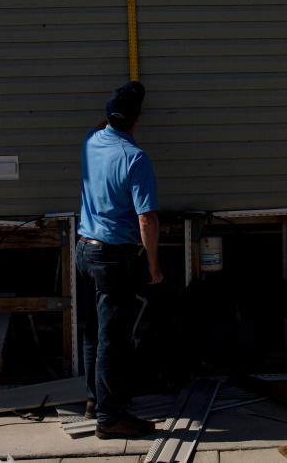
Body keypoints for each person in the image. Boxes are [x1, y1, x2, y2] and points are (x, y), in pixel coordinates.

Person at [76, 80, 163, 439]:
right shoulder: (135, 158)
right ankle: (111, 420)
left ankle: (97, 401)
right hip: (114, 256)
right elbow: (147, 218)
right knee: (114, 337)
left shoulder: (92, 143)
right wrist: (153, 266)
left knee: (92, 333)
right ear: (136, 119)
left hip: (84, 249)